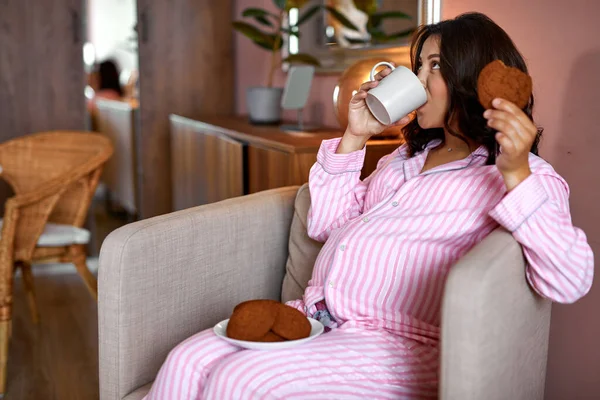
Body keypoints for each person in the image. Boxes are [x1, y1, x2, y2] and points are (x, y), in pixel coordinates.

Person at [143, 12, 594, 399]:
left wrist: (516, 171)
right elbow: (328, 224)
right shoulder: (404, 161)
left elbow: (570, 279)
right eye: (418, 66)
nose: (417, 80)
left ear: (473, 78)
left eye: (433, 67)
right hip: (319, 321)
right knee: (184, 360)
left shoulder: (516, 176)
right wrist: (355, 135)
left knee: (240, 381)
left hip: (396, 345)